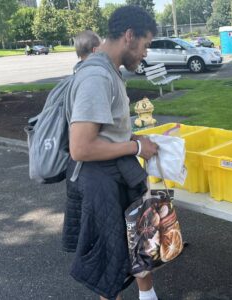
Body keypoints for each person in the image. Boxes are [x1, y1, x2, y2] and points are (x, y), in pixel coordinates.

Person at [61, 6, 160, 300]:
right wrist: (137, 147)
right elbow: (81, 147)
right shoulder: (97, 77)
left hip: (112, 174)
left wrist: (132, 136)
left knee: (133, 246)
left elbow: (104, 130)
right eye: (145, 45)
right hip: (99, 181)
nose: (145, 54)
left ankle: (148, 296)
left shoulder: (108, 71)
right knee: (111, 262)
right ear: (129, 36)